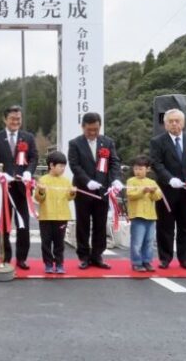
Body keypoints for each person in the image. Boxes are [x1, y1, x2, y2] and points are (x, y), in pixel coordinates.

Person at [149, 108, 186, 270]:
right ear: (165, 124)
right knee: (165, 226)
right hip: (167, 191)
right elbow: (156, 164)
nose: (174, 124)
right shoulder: (157, 141)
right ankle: (165, 258)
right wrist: (170, 179)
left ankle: (185, 259)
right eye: (171, 121)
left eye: (177, 121)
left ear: (183, 122)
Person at [68, 112, 123, 270]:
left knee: (100, 224)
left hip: (103, 190)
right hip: (84, 190)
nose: (93, 133)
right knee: (83, 224)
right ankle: (84, 256)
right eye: (89, 130)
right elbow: (75, 166)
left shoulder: (107, 142)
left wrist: (115, 179)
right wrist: (87, 181)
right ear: (83, 127)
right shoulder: (75, 143)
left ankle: (97, 255)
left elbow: (114, 162)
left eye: (96, 129)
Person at [0, 105, 38, 269]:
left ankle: (22, 258)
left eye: (18, 119)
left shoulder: (28, 137)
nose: (16, 121)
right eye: (12, 119)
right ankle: (5, 256)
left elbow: (34, 157)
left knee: (23, 224)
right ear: (5, 119)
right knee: (3, 223)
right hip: (2, 188)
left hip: (22, 187)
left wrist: (29, 172)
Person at [35, 151, 76, 274]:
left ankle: (59, 263)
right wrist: (41, 191)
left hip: (62, 217)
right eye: (60, 166)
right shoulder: (43, 180)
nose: (63, 169)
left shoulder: (66, 181)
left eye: (64, 166)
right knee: (46, 242)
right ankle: (48, 263)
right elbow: (38, 198)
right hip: (46, 216)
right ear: (51, 165)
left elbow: (69, 198)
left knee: (59, 242)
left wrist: (72, 192)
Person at [125, 156, 162, 272]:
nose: (138, 171)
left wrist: (153, 191)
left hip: (151, 216)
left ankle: (147, 261)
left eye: (141, 169)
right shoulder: (131, 181)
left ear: (148, 169)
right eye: (135, 169)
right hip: (137, 215)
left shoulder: (152, 182)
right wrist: (143, 191)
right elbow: (130, 195)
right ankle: (136, 262)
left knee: (149, 241)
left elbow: (158, 197)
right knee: (137, 241)